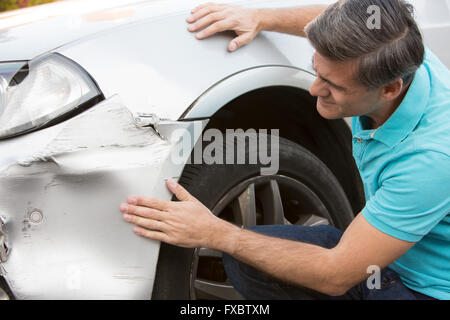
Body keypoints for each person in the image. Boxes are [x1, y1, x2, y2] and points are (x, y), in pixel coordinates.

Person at [119, 0, 450, 300]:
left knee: (246, 247)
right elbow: (332, 18)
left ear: (390, 88)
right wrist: (260, 18)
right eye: (318, 71)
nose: (314, 88)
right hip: (384, 263)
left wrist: (216, 232)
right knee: (253, 260)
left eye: (334, 85)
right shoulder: (399, 49)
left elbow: (337, 274)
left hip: (423, 290)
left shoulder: (431, 160)